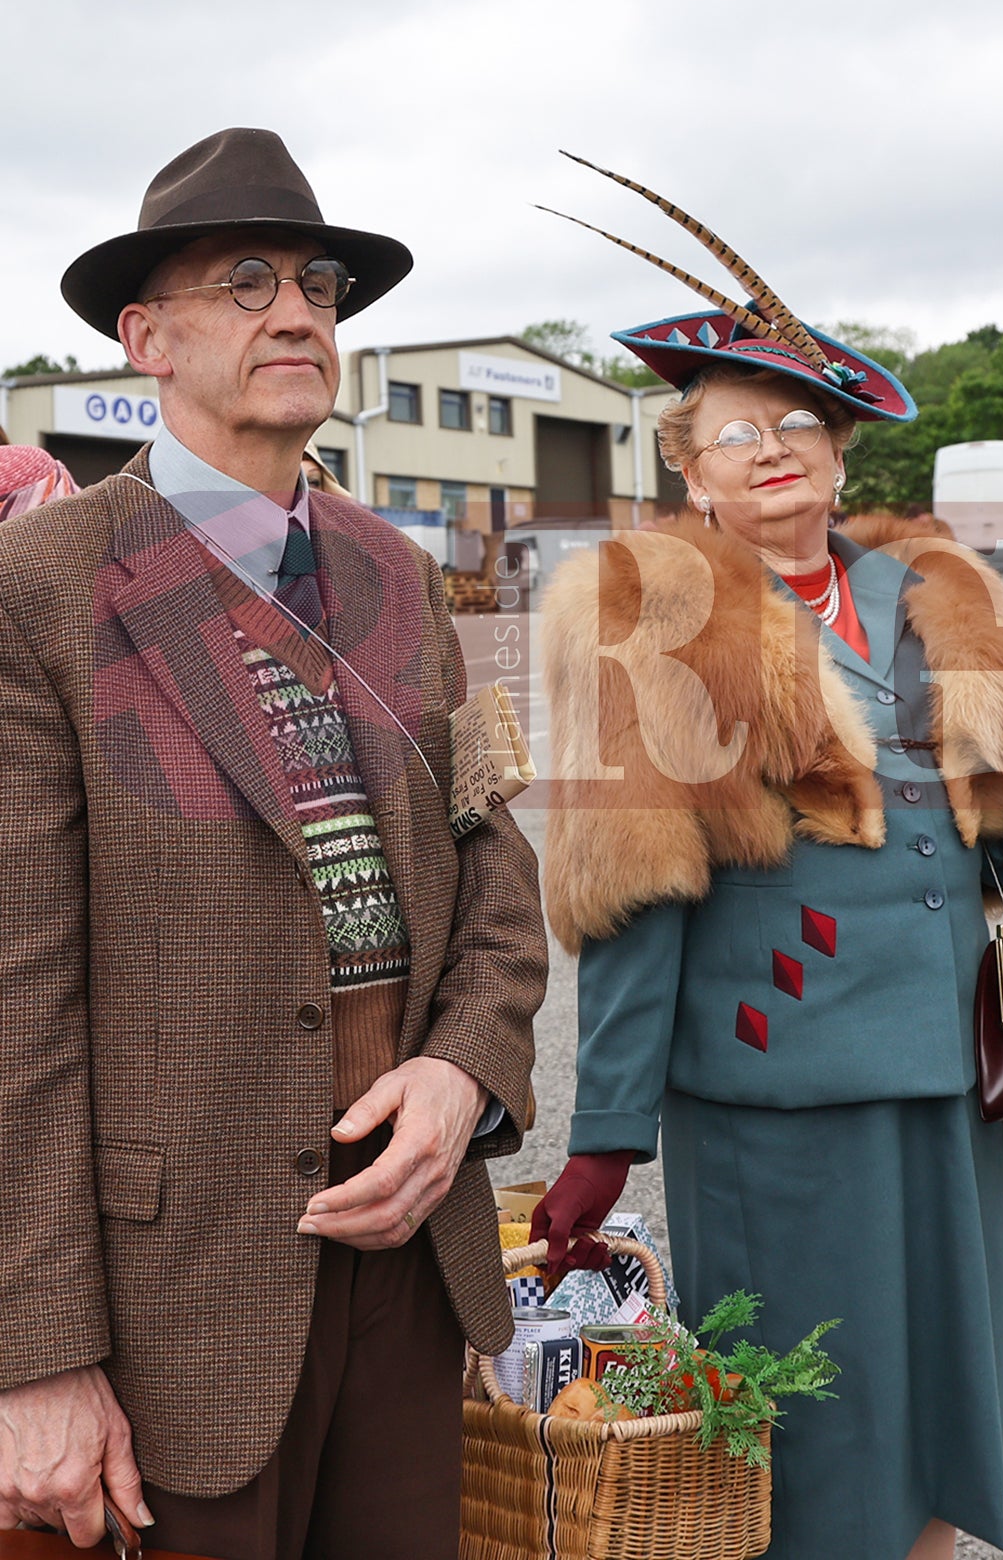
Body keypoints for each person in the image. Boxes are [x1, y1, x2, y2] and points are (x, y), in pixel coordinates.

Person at [531, 161, 1003, 1560]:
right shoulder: (646, 611)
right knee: (805, 1423)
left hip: (951, 1074)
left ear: (843, 455)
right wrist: (604, 1136)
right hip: (773, 1090)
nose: (770, 449)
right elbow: (633, 903)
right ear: (687, 469)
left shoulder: (938, 591)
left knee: (940, 1408)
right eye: (731, 434)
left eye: (798, 423)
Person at [0, 128, 548, 1559]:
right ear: (145, 340)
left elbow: (496, 861)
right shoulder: (39, 587)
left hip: (409, 1254)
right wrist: (36, 1354)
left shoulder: (402, 573)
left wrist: (462, 1078)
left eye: (315, 283)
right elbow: (17, 992)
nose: (298, 311)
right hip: (171, 1301)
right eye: (244, 281)